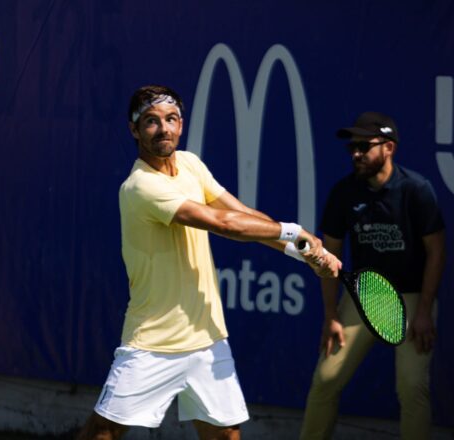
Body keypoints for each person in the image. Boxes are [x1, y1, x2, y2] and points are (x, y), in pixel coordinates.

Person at [76, 85, 341, 440]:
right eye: (151, 122)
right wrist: (296, 233)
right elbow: (225, 225)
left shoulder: (190, 165)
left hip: (208, 337)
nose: (163, 129)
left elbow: (242, 214)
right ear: (134, 130)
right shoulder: (140, 187)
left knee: (226, 436)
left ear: (181, 124)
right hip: (154, 340)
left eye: (170, 119)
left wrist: (303, 253)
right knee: (103, 433)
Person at [300, 112, 446, 440]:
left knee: (412, 388)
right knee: (325, 379)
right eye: (353, 147)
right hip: (364, 296)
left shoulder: (416, 190)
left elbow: (437, 252)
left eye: (364, 146)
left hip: (412, 298)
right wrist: (330, 316)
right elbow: (329, 258)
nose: (356, 153)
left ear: (389, 147)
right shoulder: (344, 193)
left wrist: (423, 311)